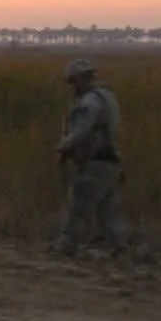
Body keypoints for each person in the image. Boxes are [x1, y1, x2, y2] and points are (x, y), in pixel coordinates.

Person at [51, 56, 128, 255]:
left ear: (79, 79)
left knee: (78, 206)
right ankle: (121, 246)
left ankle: (67, 245)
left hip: (94, 162)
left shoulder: (89, 102)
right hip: (111, 161)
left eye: (72, 81)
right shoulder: (108, 97)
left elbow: (81, 131)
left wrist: (63, 148)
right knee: (107, 210)